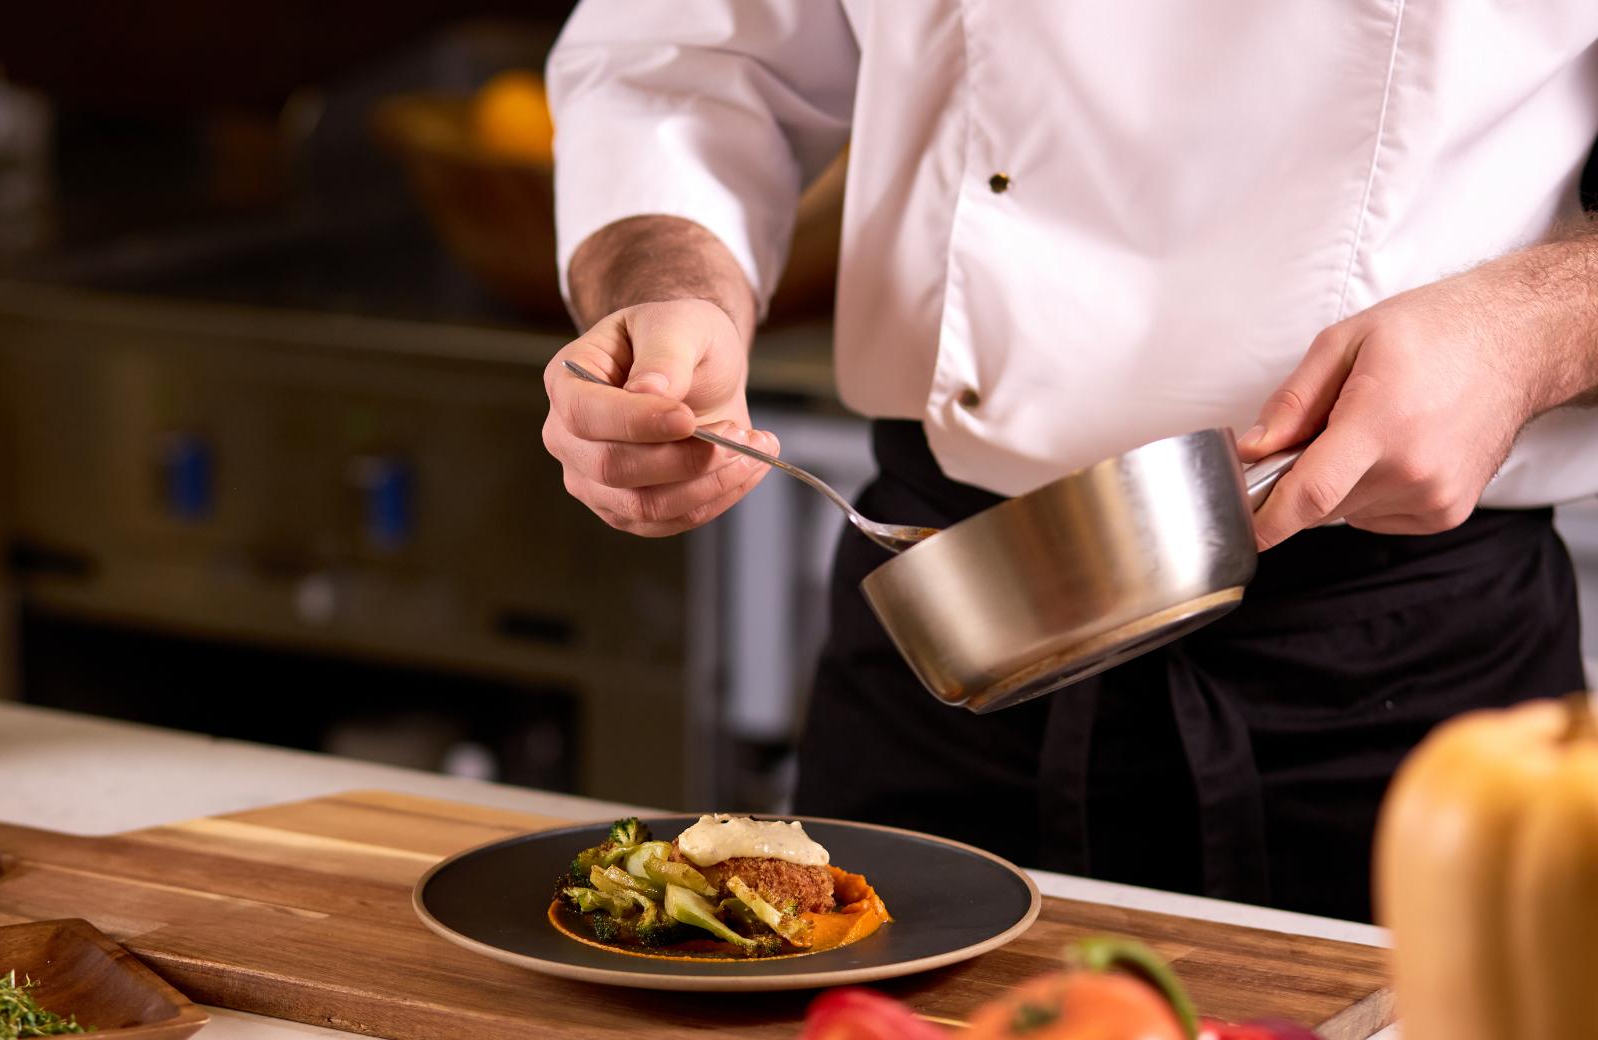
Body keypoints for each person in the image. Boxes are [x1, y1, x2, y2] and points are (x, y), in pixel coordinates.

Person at [538, 3, 1598, 921]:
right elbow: (685, 57)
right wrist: (668, 296)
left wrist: (1531, 327)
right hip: (950, 633)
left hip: (1405, 681)